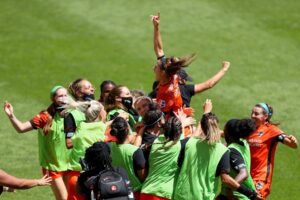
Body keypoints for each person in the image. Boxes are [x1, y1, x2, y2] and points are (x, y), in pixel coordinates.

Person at [173, 99, 261, 200]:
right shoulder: (238, 145)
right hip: (214, 196)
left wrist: (206, 113)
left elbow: (243, 173)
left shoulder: (192, 143)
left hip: (234, 196)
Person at [150, 13, 230, 116]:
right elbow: (159, 50)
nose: (154, 67)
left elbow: (208, 84)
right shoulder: (170, 75)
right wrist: (156, 27)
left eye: (156, 67)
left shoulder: (170, 92)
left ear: (163, 72)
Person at [3, 86, 70, 200]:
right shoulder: (45, 117)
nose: (64, 98)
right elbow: (21, 128)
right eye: (60, 96)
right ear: (53, 99)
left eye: (65, 95)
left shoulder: (71, 115)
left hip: (69, 164)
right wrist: (11, 116)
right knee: (64, 199)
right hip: (53, 166)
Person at [247, 103, 298, 199]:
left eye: (256, 114)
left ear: (265, 116)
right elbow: (231, 133)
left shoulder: (271, 130)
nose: (252, 116)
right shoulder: (249, 128)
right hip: (246, 175)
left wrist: (294, 141)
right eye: (252, 113)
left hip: (261, 177)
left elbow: (292, 144)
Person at [66, 100, 107, 200]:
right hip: (92, 179)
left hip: (74, 177)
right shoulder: (102, 128)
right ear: (101, 113)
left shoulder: (81, 126)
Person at [140, 116, 186, 200]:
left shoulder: (154, 142)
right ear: (179, 132)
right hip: (164, 194)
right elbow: (195, 138)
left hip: (146, 192)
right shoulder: (179, 145)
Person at [218, 118, 257, 200]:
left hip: (237, 196)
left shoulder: (232, 150)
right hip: (232, 194)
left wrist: (230, 189)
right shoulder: (243, 142)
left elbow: (243, 173)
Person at [109, 117, 146, 199]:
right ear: (128, 130)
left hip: (116, 191)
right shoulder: (135, 151)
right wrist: (139, 134)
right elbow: (143, 177)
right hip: (134, 193)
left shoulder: (110, 147)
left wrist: (137, 133)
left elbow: (125, 147)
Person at [65, 78, 97, 149]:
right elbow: (69, 143)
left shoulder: (96, 109)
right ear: (79, 93)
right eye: (88, 88)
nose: (92, 89)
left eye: (92, 87)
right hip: (81, 158)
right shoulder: (71, 114)